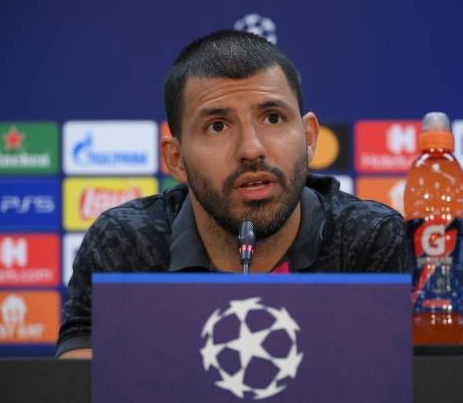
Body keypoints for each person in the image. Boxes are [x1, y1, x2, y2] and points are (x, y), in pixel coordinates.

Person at [57, 30, 407, 359]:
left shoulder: (367, 237)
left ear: (310, 137)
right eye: (218, 126)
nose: (252, 149)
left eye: (272, 118)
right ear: (176, 159)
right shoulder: (126, 243)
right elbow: (79, 386)